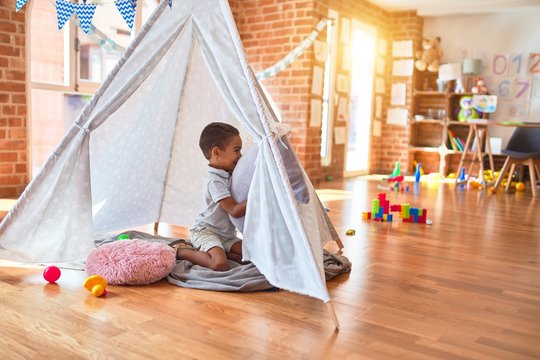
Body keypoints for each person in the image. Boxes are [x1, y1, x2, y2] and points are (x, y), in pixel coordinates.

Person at [174, 122, 247, 271]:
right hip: (206, 230)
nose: (240, 156)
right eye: (237, 150)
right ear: (217, 152)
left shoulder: (231, 173)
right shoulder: (214, 180)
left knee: (253, 256)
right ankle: (181, 251)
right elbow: (234, 210)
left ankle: (221, 251)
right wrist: (256, 198)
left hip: (226, 236)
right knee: (219, 264)